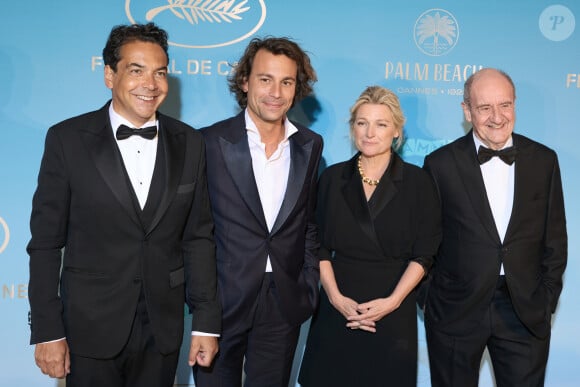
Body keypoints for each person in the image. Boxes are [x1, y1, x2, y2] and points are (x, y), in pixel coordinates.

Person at [27, 23, 221, 387]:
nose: (151, 84)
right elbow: (45, 245)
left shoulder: (190, 142)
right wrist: (47, 331)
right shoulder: (67, 140)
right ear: (109, 75)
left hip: (162, 330)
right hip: (89, 330)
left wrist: (207, 321)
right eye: (136, 70)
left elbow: (198, 238)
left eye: (159, 72)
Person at [422, 68, 567, 386]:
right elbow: (424, 242)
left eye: (505, 105)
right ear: (466, 110)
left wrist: (545, 300)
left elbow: (555, 240)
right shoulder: (440, 164)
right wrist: (431, 301)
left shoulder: (544, 160)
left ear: (515, 105)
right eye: (484, 107)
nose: (497, 117)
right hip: (455, 310)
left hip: (523, 310)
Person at [193, 37, 323, 387]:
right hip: (222, 301)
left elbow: (307, 223)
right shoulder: (208, 142)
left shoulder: (310, 146)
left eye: (287, 82)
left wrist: (308, 283)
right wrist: (204, 304)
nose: (276, 92)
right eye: (265, 79)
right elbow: (196, 231)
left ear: (298, 88)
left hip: (283, 300)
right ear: (245, 81)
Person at [298, 86, 441, 387]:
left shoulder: (418, 182)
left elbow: (424, 254)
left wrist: (391, 302)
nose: (370, 132)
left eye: (381, 124)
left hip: (392, 311)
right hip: (338, 308)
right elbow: (318, 246)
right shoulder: (332, 178)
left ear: (397, 132)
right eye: (362, 123)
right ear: (352, 129)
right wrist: (336, 299)